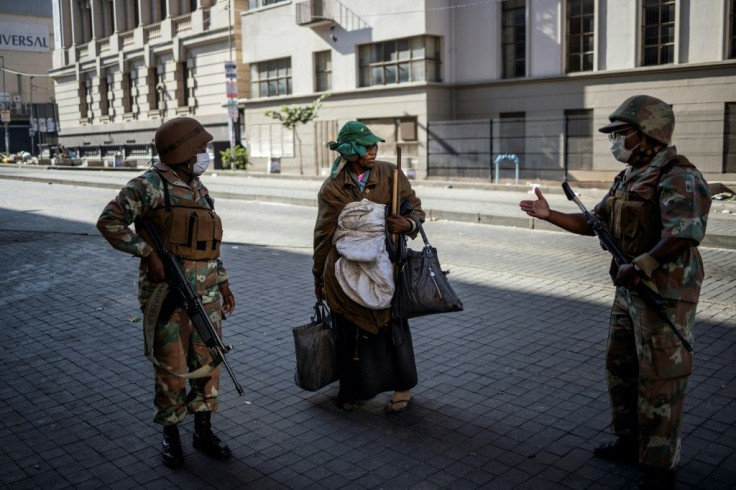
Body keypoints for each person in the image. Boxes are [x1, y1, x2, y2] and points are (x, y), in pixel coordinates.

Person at [520, 95, 711, 489]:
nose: (614, 142)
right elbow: (595, 222)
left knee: (660, 380)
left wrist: (642, 265)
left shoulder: (677, 174)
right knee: (621, 367)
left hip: (665, 295)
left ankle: (659, 467)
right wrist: (549, 214)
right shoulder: (629, 176)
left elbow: (684, 233)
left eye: (621, 134)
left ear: (647, 135)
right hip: (630, 292)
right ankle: (630, 442)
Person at [97, 117, 235, 468]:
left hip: (206, 296)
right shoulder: (149, 186)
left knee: (208, 363)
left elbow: (209, 245)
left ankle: (202, 430)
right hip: (168, 295)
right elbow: (109, 221)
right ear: (184, 152)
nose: (205, 154)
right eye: (201, 149)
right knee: (171, 368)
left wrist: (223, 283)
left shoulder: (197, 187)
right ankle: (171, 435)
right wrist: (147, 252)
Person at [313, 120, 425, 414]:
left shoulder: (390, 173)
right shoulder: (333, 188)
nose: (373, 150)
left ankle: (403, 388)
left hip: (385, 267)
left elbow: (415, 207)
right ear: (351, 151)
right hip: (343, 272)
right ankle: (353, 389)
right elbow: (323, 235)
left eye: (375, 145)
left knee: (392, 330)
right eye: (366, 146)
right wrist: (318, 278)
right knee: (349, 334)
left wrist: (408, 223)